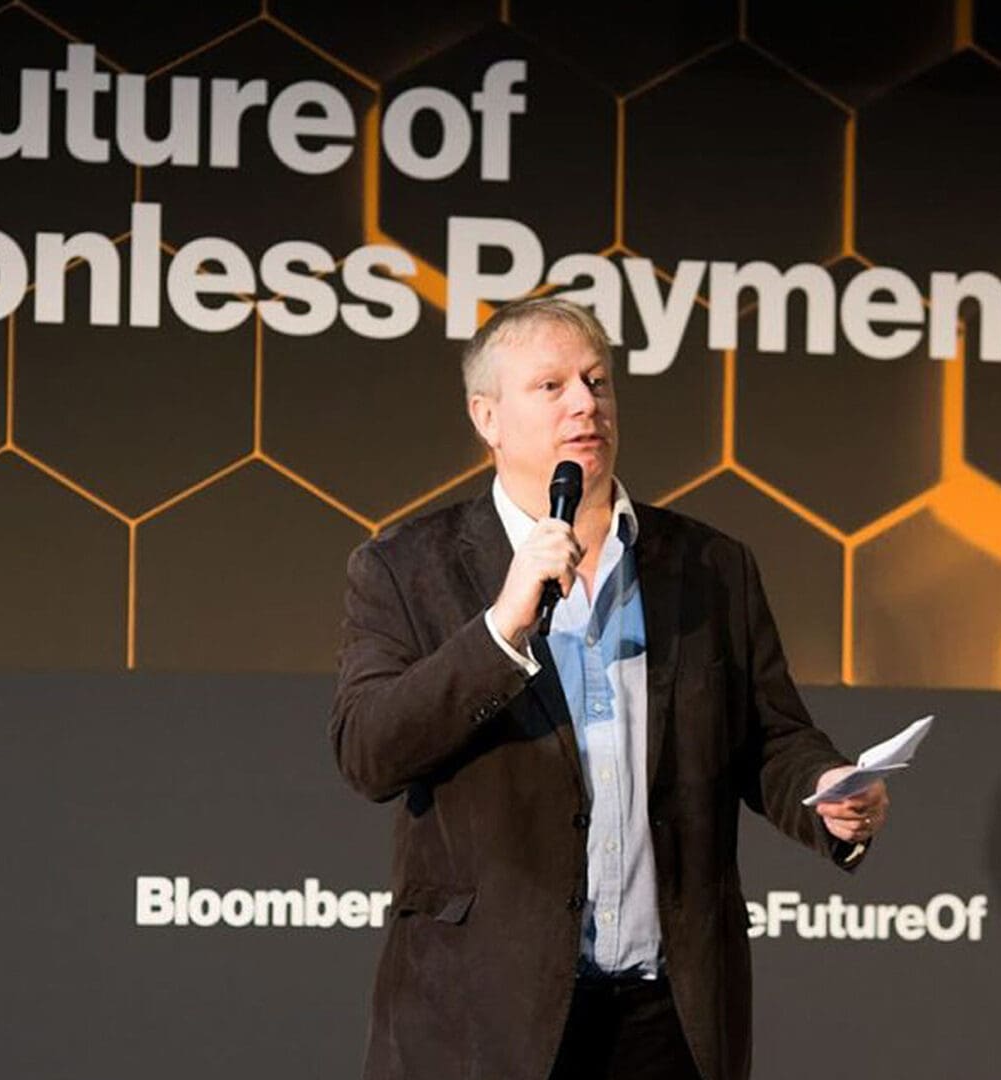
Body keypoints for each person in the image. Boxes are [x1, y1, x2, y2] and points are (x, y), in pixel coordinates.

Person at [330, 296, 889, 1080]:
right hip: (484, 1016)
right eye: (551, 386)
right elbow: (369, 751)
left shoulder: (708, 565)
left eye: (597, 381)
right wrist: (501, 630)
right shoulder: (406, 568)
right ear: (487, 417)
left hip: (668, 1016)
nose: (586, 404)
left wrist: (828, 790)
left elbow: (771, 737)